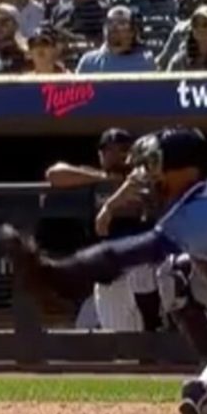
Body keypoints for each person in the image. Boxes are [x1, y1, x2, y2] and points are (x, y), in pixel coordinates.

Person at [0, 127, 207, 414]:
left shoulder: (196, 213)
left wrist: (56, 271)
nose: (149, 177)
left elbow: (120, 256)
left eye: (155, 166)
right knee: (181, 271)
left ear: (187, 170)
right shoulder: (195, 203)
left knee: (177, 272)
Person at [45, 128, 162, 332]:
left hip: (145, 266)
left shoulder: (147, 177)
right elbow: (54, 174)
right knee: (122, 342)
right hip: (111, 273)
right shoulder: (92, 179)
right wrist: (103, 179)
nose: (117, 155)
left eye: (123, 149)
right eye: (110, 150)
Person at [75, 6, 156, 73]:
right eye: (110, 22)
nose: (114, 26)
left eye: (121, 23)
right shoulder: (88, 62)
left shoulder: (146, 62)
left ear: (132, 31)